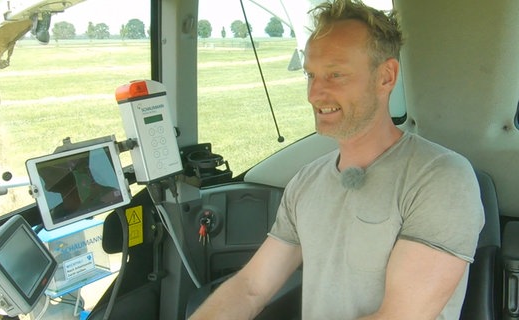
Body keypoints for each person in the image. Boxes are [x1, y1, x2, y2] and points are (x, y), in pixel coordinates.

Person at [189, 0, 484, 319]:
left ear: (386, 77)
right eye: (311, 75)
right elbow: (251, 287)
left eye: (335, 74)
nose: (315, 93)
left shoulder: (442, 179)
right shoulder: (306, 181)